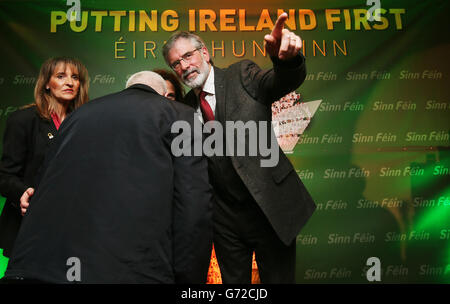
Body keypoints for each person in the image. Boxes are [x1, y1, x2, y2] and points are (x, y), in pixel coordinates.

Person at [3, 71, 213, 283]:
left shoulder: (78, 115)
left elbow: (46, 180)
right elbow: (193, 198)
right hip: (134, 268)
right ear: (162, 94)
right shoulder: (180, 114)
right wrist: (190, 278)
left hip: (52, 266)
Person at [162, 12, 316, 283]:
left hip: (269, 207)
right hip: (225, 221)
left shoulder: (241, 74)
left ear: (205, 53)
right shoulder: (182, 109)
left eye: (188, 56)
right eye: (176, 63)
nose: (184, 66)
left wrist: (287, 62)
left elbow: (279, 82)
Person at [0, 57, 89, 258]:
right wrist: (22, 193)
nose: (69, 82)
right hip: (31, 225)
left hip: (74, 226)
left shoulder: (86, 122)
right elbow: (5, 176)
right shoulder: (23, 120)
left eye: (75, 77)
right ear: (46, 84)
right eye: (60, 76)